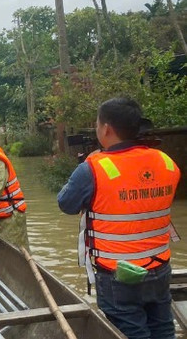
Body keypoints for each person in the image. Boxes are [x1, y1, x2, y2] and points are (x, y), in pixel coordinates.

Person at [58, 97, 180, 339]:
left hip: (119, 274)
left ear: (106, 129)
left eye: (96, 124)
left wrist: (88, 165)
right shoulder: (166, 162)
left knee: (131, 332)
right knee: (163, 329)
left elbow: (66, 204)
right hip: (160, 266)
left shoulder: (93, 168)